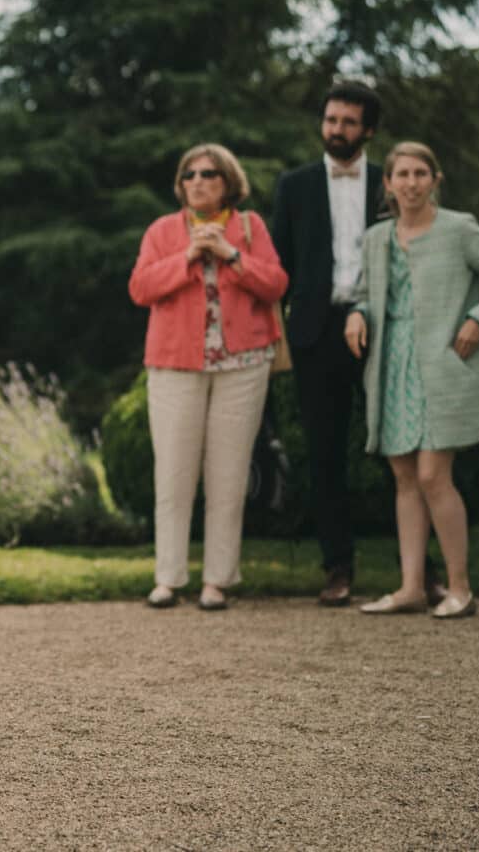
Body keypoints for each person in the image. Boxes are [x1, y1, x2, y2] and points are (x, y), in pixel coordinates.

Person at [270, 82, 442, 607]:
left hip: (385, 330)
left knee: (404, 449)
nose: (336, 129)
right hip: (317, 335)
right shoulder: (293, 185)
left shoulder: (389, 184)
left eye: (347, 121)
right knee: (325, 454)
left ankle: (421, 572)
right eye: (330, 119)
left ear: (368, 129)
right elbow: (280, 268)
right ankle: (337, 568)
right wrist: (280, 337)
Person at [345, 143, 479, 619]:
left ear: (435, 179)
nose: (410, 182)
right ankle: (410, 588)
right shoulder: (377, 237)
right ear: (388, 183)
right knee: (405, 478)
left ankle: (460, 589)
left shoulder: (459, 229)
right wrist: (358, 315)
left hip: (441, 364)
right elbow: (367, 294)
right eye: (401, 174)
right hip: (390, 364)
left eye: (420, 173)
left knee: (431, 475)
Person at [130, 145, 288, 611]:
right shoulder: (163, 230)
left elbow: (276, 284)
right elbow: (140, 287)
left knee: (229, 476)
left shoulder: (250, 227)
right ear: (181, 185)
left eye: (209, 174)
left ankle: (217, 581)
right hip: (175, 365)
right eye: (189, 175)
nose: (198, 181)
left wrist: (230, 254)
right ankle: (168, 578)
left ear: (228, 182)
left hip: (243, 365)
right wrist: (187, 256)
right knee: (175, 473)